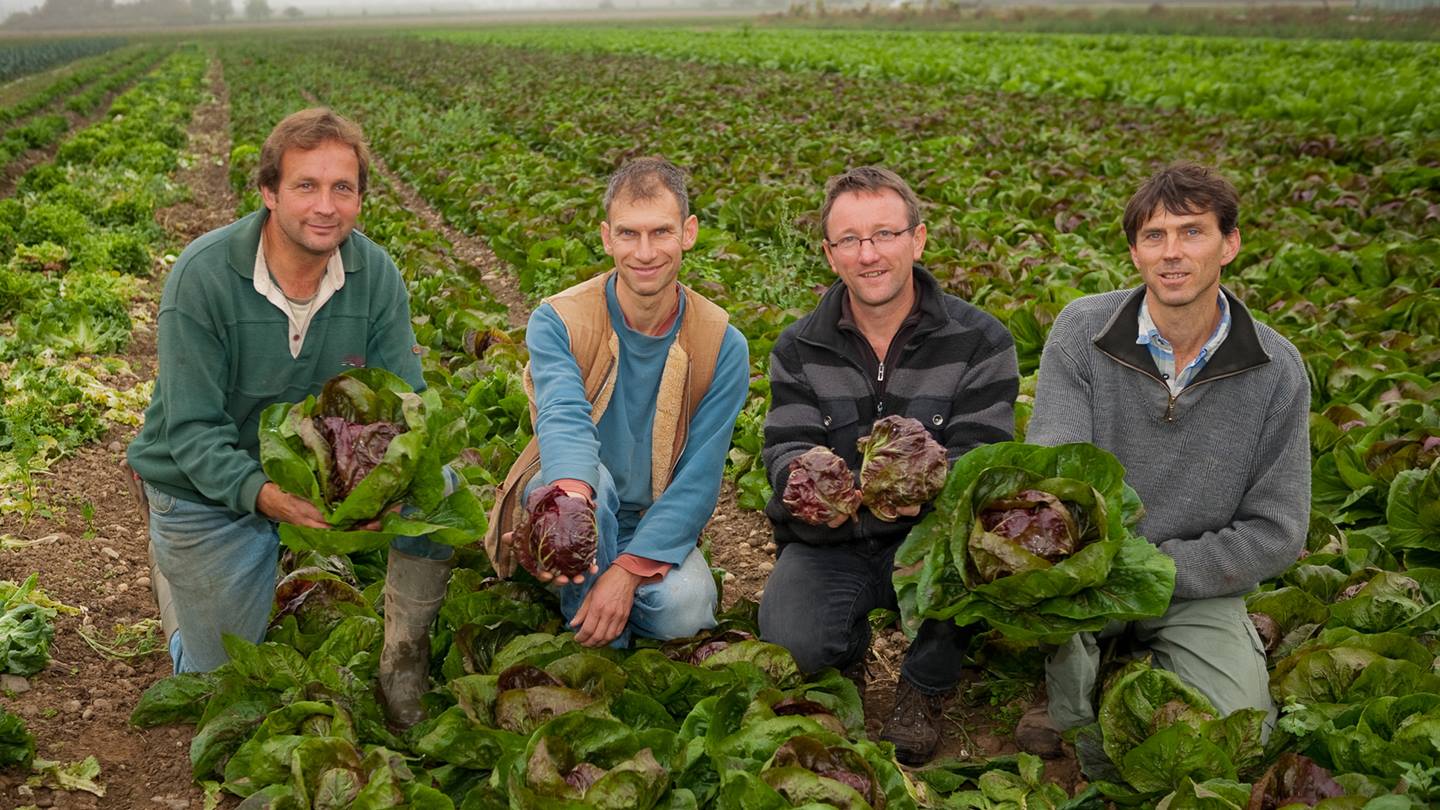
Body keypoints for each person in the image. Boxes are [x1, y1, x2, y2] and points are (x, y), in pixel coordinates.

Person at [124, 108, 454, 728]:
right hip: (205, 489)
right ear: (269, 192)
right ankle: (177, 585)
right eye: (306, 185)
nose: (325, 205)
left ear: (360, 198)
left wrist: (378, 485)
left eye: (343, 188)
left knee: (444, 495)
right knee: (221, 686)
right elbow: (192, 430)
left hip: (321, 479)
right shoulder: (203, 277)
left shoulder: (374, 274)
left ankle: (404, 664)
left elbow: (407, 403)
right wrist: (268, 497)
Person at [1016, 161, 1310, 756]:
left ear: (1229, 244)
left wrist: (1159, 572)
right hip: (1088, 571)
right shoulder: (1082, 331)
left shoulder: (1277, 372)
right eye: (1155, 236)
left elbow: (1278, 531)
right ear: (1135, 253)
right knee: (1069, 726)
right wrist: (1097, 567)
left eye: (1192, 232)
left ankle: (1142, 649)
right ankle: (1085, 668)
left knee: (1241, 733)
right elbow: (1053, 472)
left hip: (1195, 579)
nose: (1172, 253)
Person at [758, 166, 1020, 765]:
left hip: (932, 536)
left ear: (917, 240)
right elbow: (785, 447)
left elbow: (982, 454)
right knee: (790, 642)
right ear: (829, 255)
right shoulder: (798, 346)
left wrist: (925, 488)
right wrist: (810, 487)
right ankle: (843, 654)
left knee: (970, 564)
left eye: (884, 234)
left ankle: (924, 687)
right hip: (831, 539)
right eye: (849, 240)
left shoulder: (981, 340)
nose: (868, 254)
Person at [484, 157, 749, 649]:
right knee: (594, 485)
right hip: (575, 493)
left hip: (651, 522)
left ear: (688, 233)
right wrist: (566, 522)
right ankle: (589, 625)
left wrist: (625, 574)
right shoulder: (559, 321)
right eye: (628, 234)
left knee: (687, 611)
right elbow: (564, 418)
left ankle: (597, 586)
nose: (644, 252)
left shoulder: (721, 344)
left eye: (661, 232)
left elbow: (699, 477)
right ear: (607, 238)